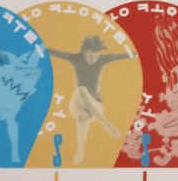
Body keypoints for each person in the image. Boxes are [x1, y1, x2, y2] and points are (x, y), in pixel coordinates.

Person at [47, 36, 136, 164]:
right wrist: (37, 47)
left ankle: (80, 151)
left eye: (96, 57)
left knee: (83, 117)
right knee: (81, 89)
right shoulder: (75, 58)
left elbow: (123, 55)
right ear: (84, 52)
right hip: (77, 104)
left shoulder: (102, 59)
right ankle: (107, 125)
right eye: (90, 56)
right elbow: (56, 52)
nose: (93, 60)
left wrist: (139, 53)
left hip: (96, 105)